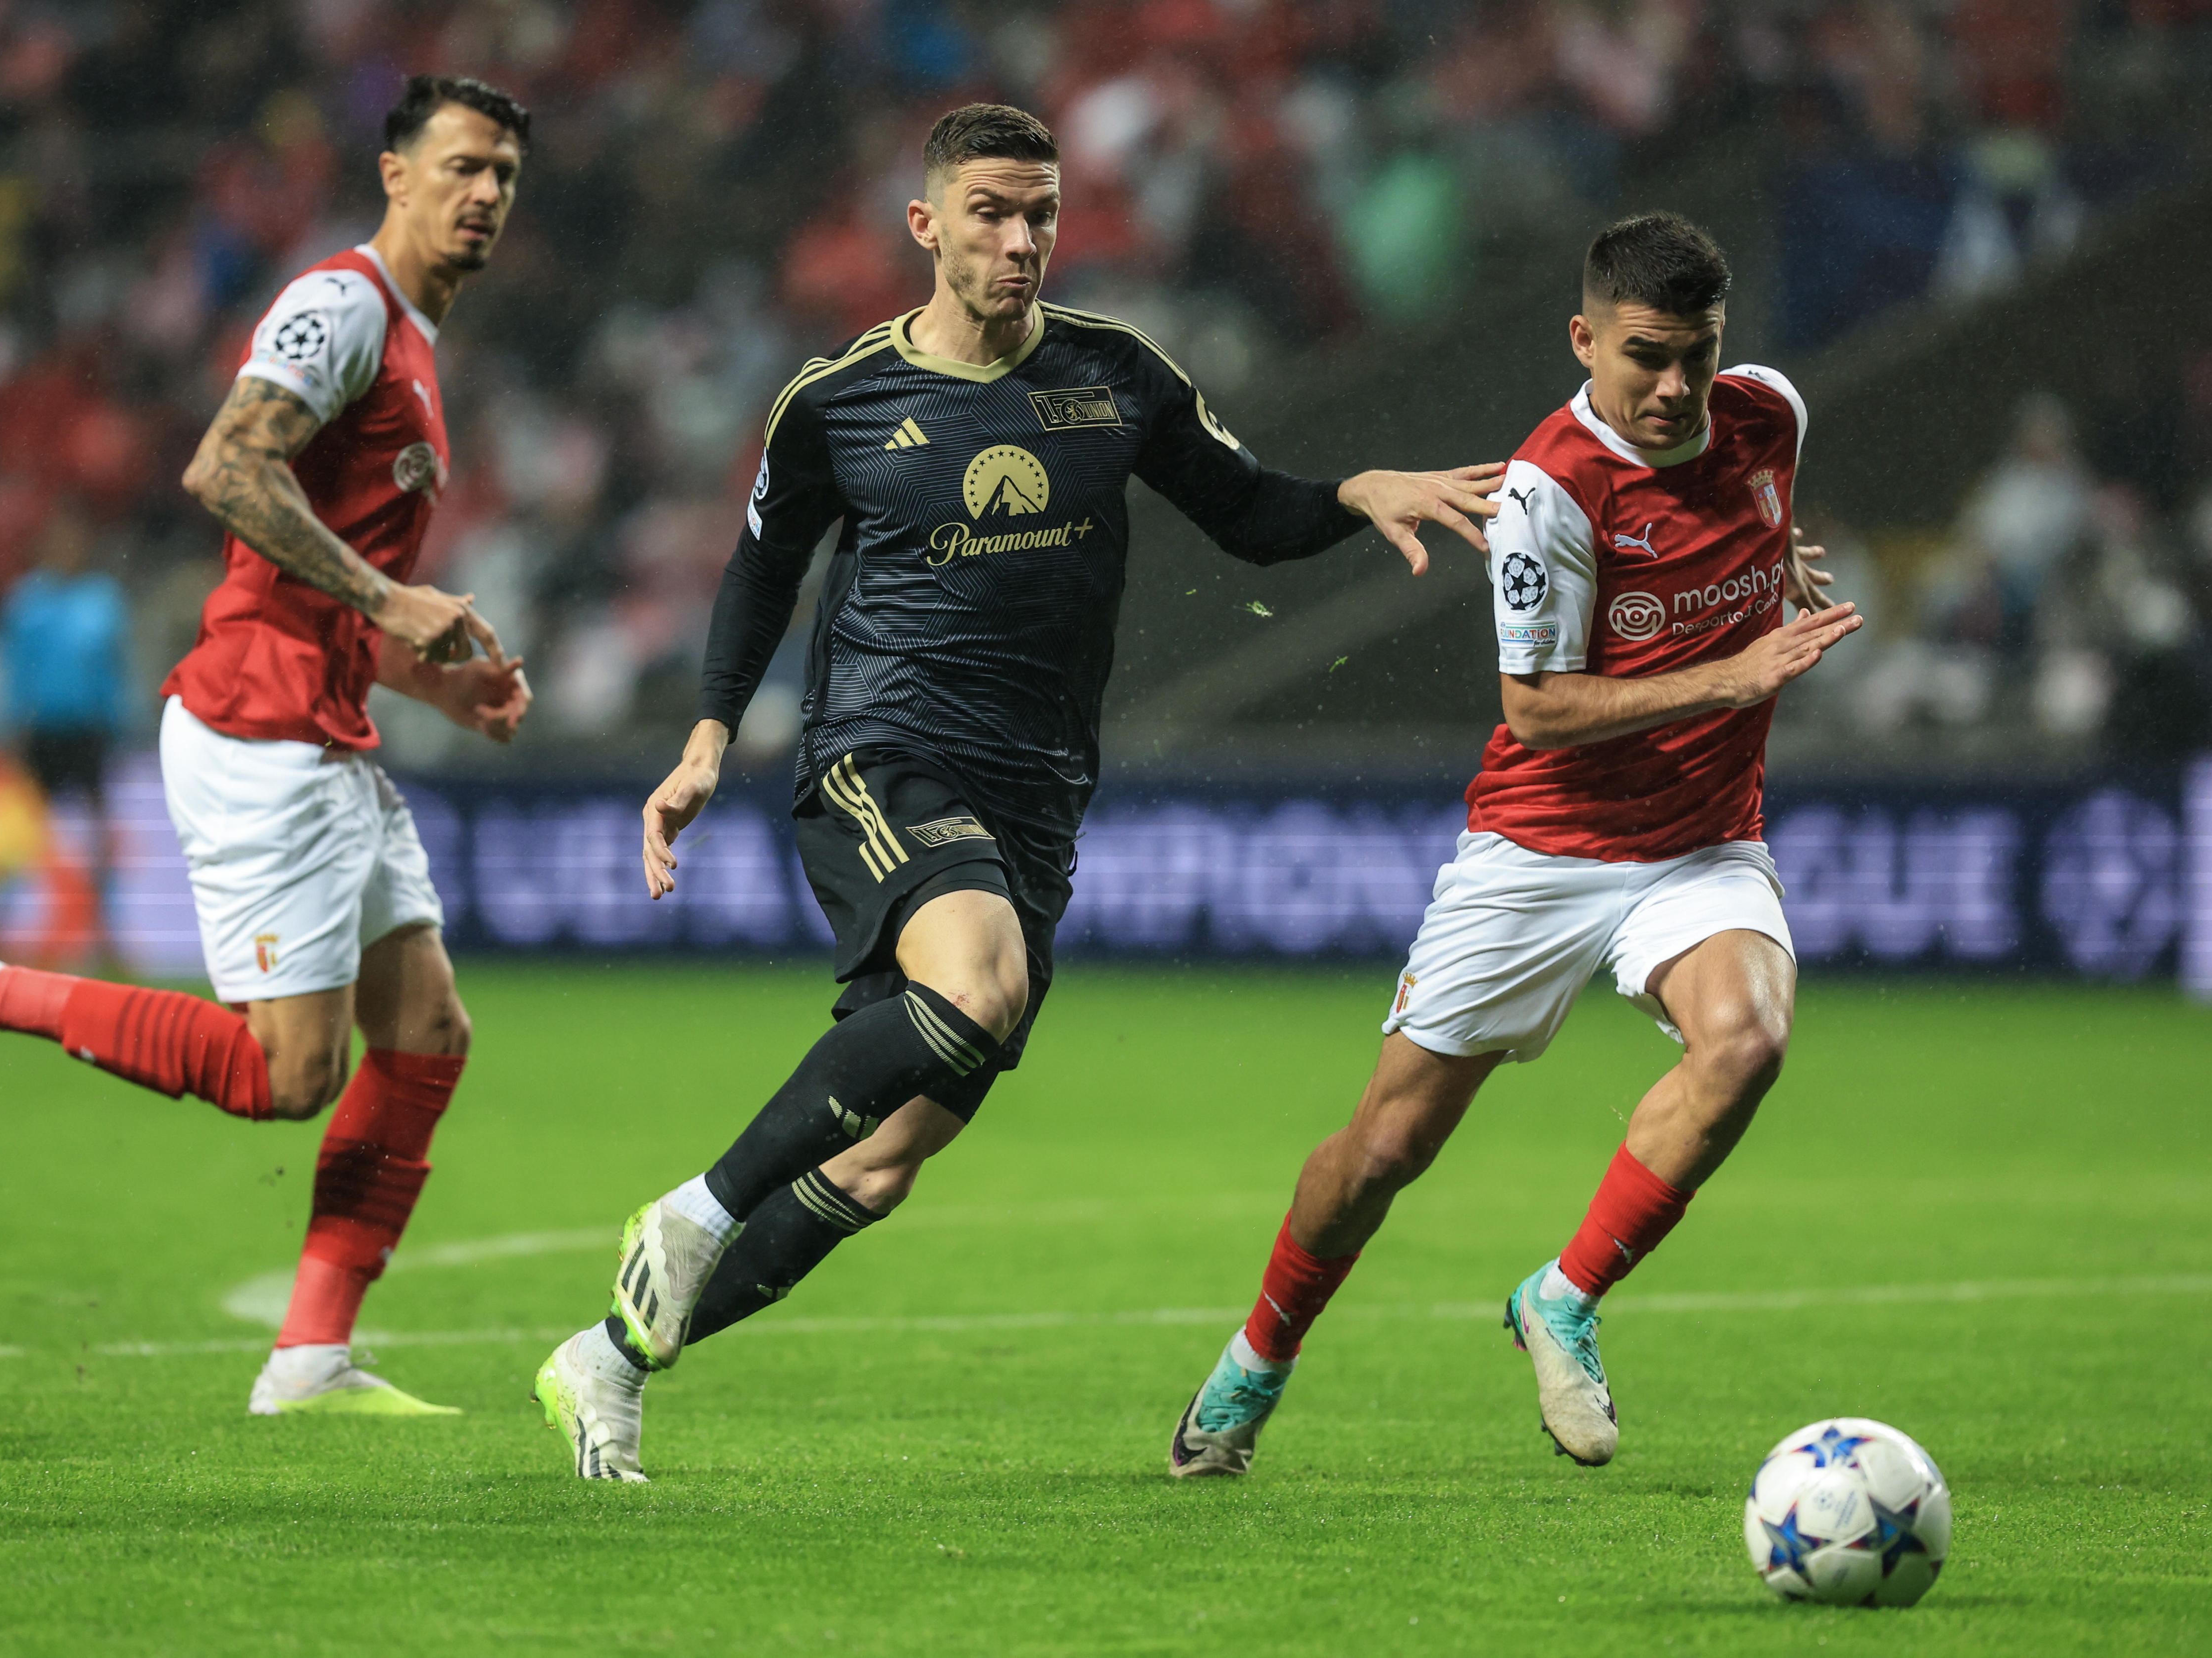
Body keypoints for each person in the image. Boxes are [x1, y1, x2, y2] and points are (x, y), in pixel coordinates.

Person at [530, 102, 1504, 1483]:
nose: (1021, 238)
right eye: (990, 210)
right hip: (882, 753)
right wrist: (704, 737)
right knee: (975, 984)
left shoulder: (1117, 378)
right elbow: (762, 570)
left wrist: (1356, 490)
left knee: (883, 1162)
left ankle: (606, 1362)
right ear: (924, 225)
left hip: (1039, 800)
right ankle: (693, 1210)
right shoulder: (839, 400)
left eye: (1041, 211)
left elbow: (1247, 514)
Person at [0, 76, 536, 1418]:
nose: (486, 193)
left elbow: (315, 576)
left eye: (504, 173)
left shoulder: (420, 341)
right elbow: (224, 469)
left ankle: (309, 1355)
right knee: (289, 1073)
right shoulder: (343, 311)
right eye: (462, 166)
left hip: (326, 720)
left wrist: (432, 684)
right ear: (394, 173)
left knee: (427, 1032)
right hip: (262, 731)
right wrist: (391, 602)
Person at [1166, 212, 1860, 1477]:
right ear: (1583, 338)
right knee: (1385, 1149)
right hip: (1541, 847)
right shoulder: (1549, 489)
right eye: (1644, 355)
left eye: (1696, 357)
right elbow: (1534, 710)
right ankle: (1257, 1356)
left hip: (1702, 845)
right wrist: (1731, 672)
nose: (1672, 387)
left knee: (1748, 1039)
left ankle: (1564, 1296)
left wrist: (1776, 570)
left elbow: (1746, 524)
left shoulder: (1772, 416)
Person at [0, 497, 131, 954]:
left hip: (88, 732)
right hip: (41, 731)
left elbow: (114, 669)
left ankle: (106, 931)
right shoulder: (27, 602)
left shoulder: (102, 601)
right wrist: (10, 729)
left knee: (99, 834)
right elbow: (14, 672)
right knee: (20, 831)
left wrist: (119, 723)